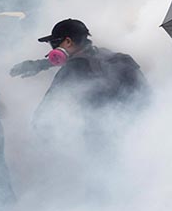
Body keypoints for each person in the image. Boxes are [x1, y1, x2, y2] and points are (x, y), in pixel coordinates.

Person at [25, 19, 150, 148]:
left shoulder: (72, 71)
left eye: (55, 44)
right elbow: (147, 97)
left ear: (68, 42)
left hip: (103, 146)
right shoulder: (120, 59)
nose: (53, 49)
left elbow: (43, 118)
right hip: (141, 139)